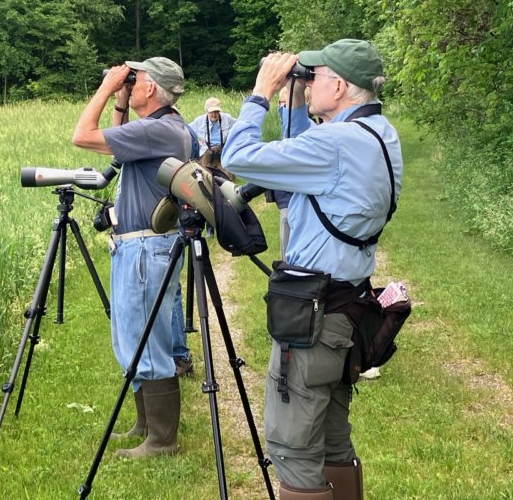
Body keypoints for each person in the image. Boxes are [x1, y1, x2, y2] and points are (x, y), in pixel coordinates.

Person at [222, 39, 403, 500]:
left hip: (314, 316)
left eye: (314, 77)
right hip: (347, 310)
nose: (307, 82)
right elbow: (303, 148)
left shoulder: (335, 143)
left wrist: (261, 93)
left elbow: (237, 158)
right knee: (331, 437)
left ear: (339, 85)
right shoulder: (380, 133)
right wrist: (299, 97)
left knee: (294, 445)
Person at [73, 56, 193, 458]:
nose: (130, 81)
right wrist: (122, 103)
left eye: (135, 79)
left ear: (152, 89)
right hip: (140, 245)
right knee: (134, 337)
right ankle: (146, 425)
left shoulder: (160, 129)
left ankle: (162, 439)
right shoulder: (162, 128)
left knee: (147, 339)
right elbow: (122, 154)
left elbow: (82, 135)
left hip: (146, 247)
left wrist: (107, 86)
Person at [189, 96, 237, 179]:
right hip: (207, 150)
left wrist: (232, 142)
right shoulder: (199, 121)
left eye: (216, 112)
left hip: (223, 149)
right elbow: (187, 130)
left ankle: (229, 184)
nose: (214, 115)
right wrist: (197, 142)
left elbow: (240, 126)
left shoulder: (227, 118)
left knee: (229, 171)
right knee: (202, 171)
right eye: (211, 112)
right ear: (206, 111)